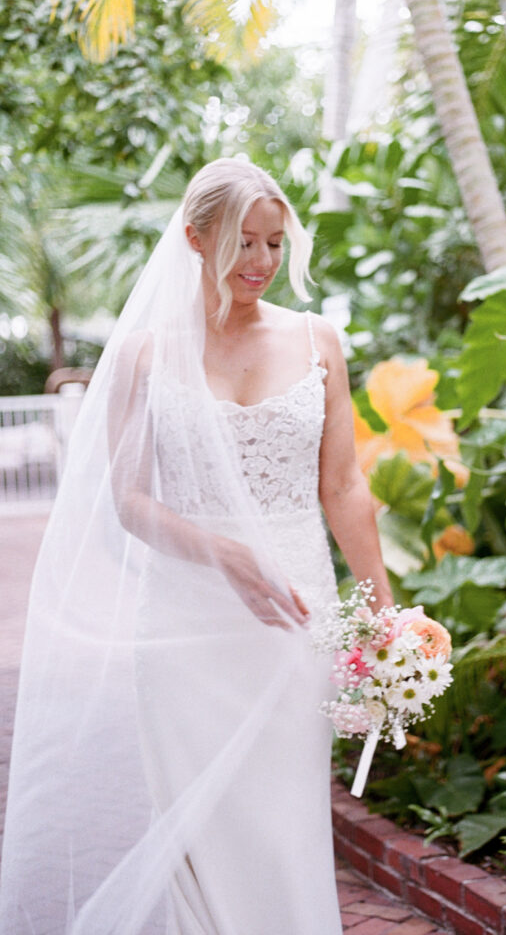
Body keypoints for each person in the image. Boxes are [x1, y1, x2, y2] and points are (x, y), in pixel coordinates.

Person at [0, 158, 393, 934]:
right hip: (182, 624)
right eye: (243, 243)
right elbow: (128, 499)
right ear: (194, 238)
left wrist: (383, 611)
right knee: (195, 824)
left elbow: (343, 486)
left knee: (283, 822)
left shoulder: (318, 341)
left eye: (275, 243)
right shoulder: (147, 354)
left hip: (293, 619)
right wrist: (224, 554)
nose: (261, 263)